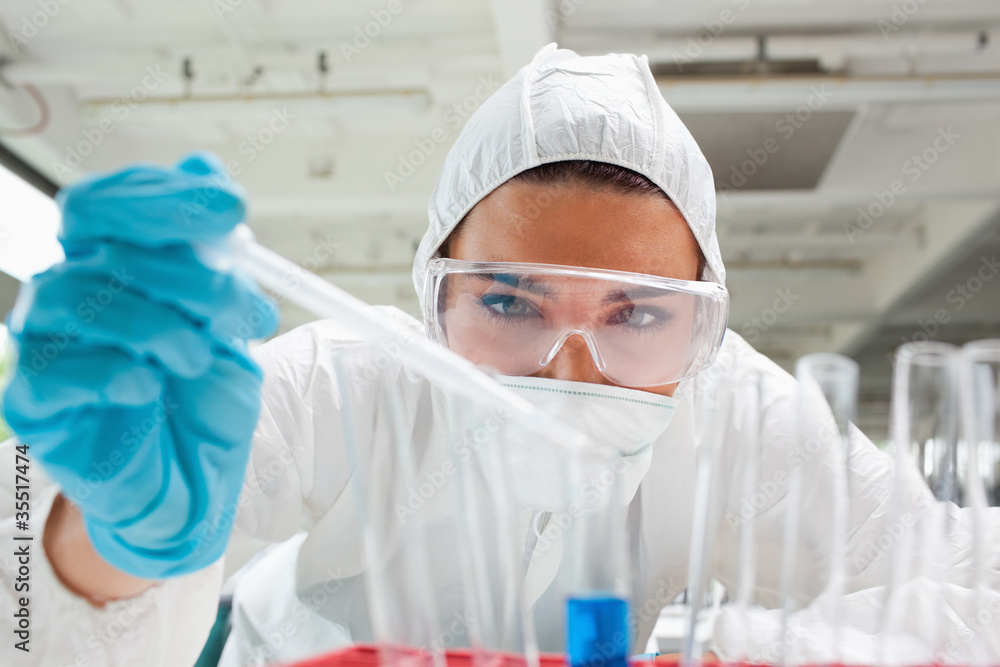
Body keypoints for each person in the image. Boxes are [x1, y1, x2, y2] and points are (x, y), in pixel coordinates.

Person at [0, 45, 997, 667]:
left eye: (638, 315)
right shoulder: (352, 377)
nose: (570, 370)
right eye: (511, 301)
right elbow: (54, 621)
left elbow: (973, 587)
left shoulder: (737, 411)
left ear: (705, 323)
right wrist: (105, 542)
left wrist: (734, 650)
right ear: (436, 289)